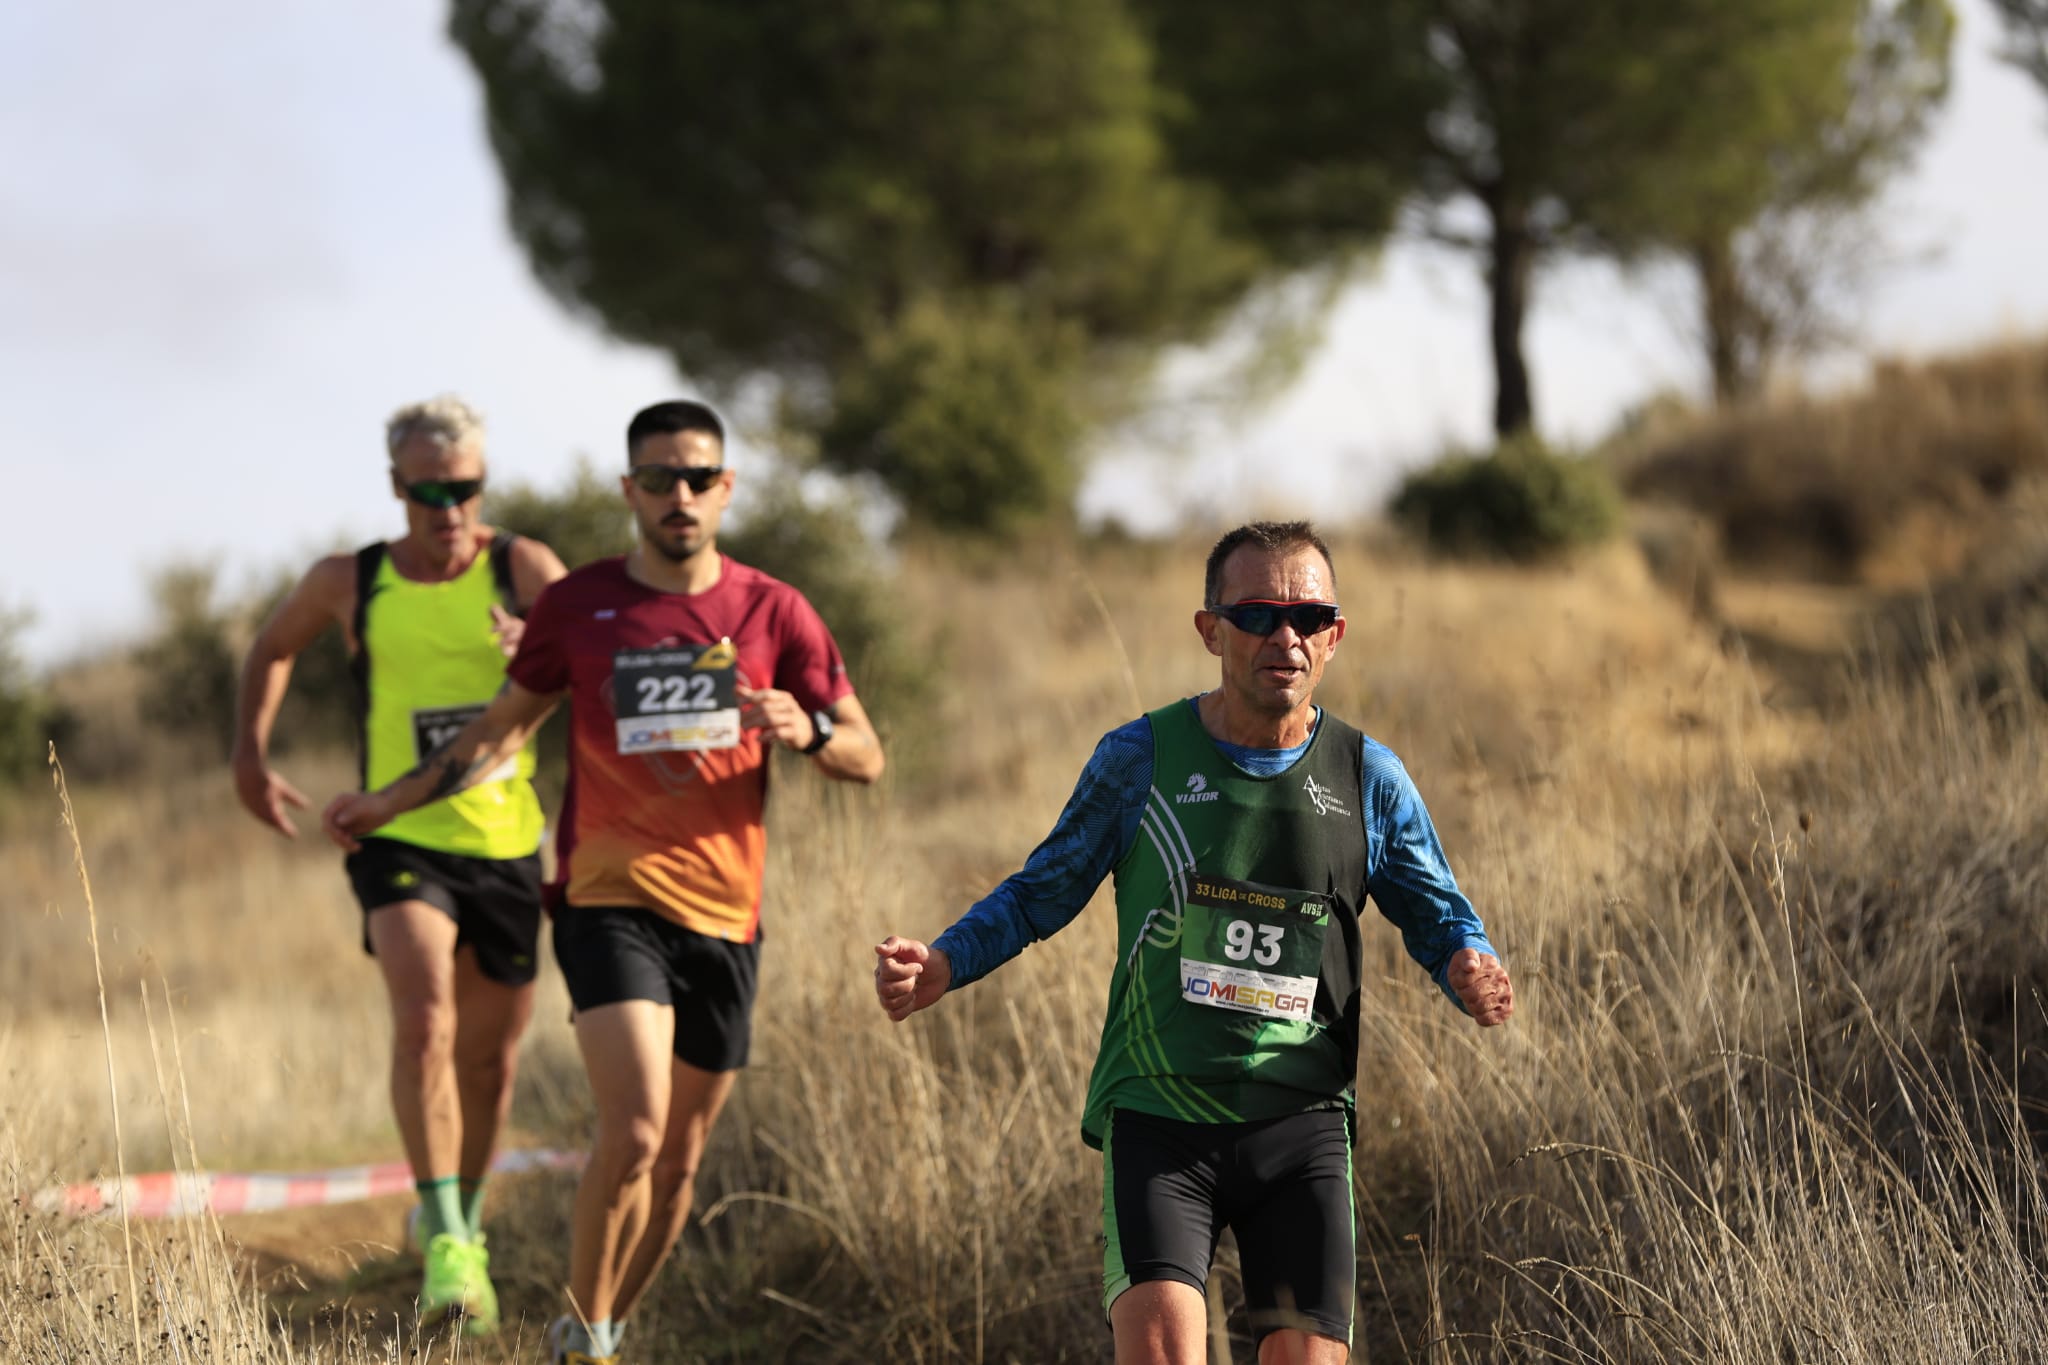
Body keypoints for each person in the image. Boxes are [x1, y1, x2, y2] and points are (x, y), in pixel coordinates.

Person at [321, 399, 886, 1365]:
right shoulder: (578, 606)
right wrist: (393, 800)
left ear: (725, 489)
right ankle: (584, 1342)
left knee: (676, 1172)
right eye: (660, 477)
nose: (679, 494)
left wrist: (809, 732)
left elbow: (867, 753)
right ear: (629, 490)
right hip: (605, 901)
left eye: (698, 477)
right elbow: (502, 726)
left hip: (726, 914)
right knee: (632, 1126)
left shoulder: (773, 609)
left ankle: (601, 1325)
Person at [873, 520, 1513, 1365]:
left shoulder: (1367, 775)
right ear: (1210, 630)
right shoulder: (1139, 758)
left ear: (1335, 636)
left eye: (1309, 616)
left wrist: (1467, 959)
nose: (1284, 636)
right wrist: (946, 962)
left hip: (1302, 1119)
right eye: (1256, 614)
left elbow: (1435, 908)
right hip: (1159, 1116)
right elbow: (1044, 889)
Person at [231, 395, 568, 1334]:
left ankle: (449, 1205)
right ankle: (457, 1244)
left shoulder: (524, 566)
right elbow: (271, 646)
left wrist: (543, 651)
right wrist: (249, 757)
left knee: (490, 1061)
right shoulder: (352, 580)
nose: (449, 506)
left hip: (504, 841)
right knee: (424, 1017)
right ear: (396, 487)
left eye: (466, 487)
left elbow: (602, 656)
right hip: (397, 836)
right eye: (429, 488)